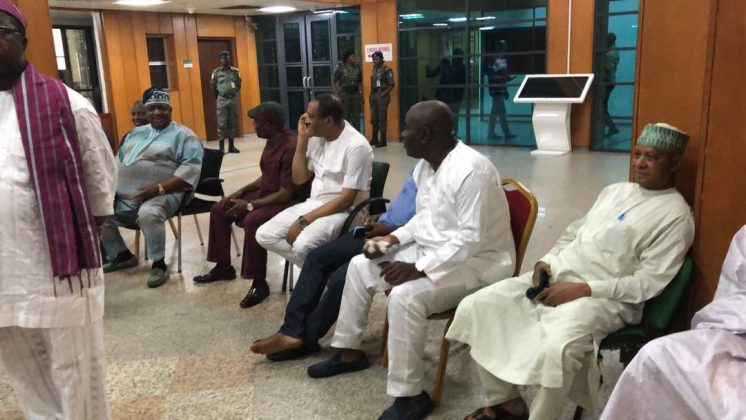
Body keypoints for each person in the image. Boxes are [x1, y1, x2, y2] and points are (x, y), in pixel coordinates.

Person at [447, 122, 696, 420]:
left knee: (558, 350)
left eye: (652, 157)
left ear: (674, 163)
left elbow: (648, 283)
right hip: (558, 277)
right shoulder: (615, 191)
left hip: (604, 299)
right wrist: (545, 262)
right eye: (637, 154)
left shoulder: (676, 215)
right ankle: (505, 403)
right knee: (478, 306)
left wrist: (584, 289)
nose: (640, 163)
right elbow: (573, 234)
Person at [307, 101, 516, 420]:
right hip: (438, 251)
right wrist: (393, 240)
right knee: (360, 265)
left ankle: (410, 397)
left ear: (426, 134)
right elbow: (425, 219)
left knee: (405, 296)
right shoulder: (426, 166)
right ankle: (348, 352)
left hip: (480, 263)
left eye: (407, 128)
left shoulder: (471, 170)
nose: (402, 135)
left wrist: (418, 268)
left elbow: (469, 239)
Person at [0, 2, 118, 418]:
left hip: (60, 271)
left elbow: (101, 188)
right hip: (3, 273)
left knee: (77, 373)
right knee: (23, 369)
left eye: (0, 32)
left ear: (23, 41)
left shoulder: (68, 104)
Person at [250, 175, 417, 360]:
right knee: (317, 257)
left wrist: (390, 232)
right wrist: (378, 218)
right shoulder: (419, 169)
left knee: (342, 277)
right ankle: (291, 329)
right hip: (379, 228)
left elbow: (428, 227)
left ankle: (305, 339)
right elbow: (402, 208)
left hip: (401, 241)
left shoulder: (440, 177)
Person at [601, 224, 746, 420]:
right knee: (656, 355)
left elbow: (646, 283)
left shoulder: (673, 216)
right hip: (739, 331)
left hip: (599, 295)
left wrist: (588, 289)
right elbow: (731, 297)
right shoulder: (608, 202)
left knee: (560, 346)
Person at [193, 102, 298, 309]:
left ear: (269, 125)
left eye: (256, 123)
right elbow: (266, 176)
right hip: (267, 194)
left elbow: (287, 192)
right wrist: (241, 192)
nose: (253, 126)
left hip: (285, 201)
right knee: (220, 209)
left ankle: (259, 283)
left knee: (253, 220)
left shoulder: (291, 147)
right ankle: (223, 266)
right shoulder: (272, 140)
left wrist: (250, 205)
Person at [256, 94, 372, 276]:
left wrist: (304, 221)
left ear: (328, 121)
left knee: (303, 245)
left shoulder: (356, 146)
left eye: (311, 116)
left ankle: (318, 274)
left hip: (346, 211)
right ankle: (324, 274)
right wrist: (302, 140)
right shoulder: (316, 138)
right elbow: (299, 179)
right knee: (264, 234)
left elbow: (346, 199)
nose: (306, 120)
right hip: (314, 204)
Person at [101, 87, 204, 288]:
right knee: (98, 208)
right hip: (124, 196)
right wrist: (111, 189)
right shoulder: (134, 134)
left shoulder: (184, 136)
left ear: (170, 110)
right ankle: (122, 255)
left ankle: (158, 263)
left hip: (165, 193)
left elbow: (190, 171)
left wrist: (158, 189)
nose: (157, 112)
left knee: (149, 213)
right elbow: (117, 162)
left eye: (162, 108)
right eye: (152, 109)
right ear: (146, 112)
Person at [426, 49, 466, 133]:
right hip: (449, 98)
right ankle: (450, 135)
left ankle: (451, 135)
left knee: (450, 118)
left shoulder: (456, 68)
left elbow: (451, 81)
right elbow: (432, 74)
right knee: (450, 118)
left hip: (451, 98)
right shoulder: (453, 67)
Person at [211, 49, 242, 153]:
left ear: (229, 58)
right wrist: (219, 97)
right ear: (220, 59)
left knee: (232, 122)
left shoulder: (235, 72)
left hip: (232, 99)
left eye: (227, 57)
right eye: (223, 58)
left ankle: (231, 146)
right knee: (222, 123)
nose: (225, 60)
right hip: (221, 99)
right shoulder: (216, 72)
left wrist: (232, 92)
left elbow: (238, 85)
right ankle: (221, 148)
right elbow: (213, 86)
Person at [485, 40, 516, 141]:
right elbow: (492, 75)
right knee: (498, 112)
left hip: (500, 90)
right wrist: (504, 79)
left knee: (499, 112)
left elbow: (502, 76)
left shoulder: (501, 59)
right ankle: (499, 133)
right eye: (504, 48)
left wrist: (505, 88)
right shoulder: (493, 59)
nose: (505, 50)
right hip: (496, 90)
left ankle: (502, 133)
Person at [333, 49, 363, 131]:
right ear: (347, 58)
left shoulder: (357, 68)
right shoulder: (341, 68)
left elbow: (360, 82)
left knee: (356, 117)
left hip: (355, 94)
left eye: (355, 56)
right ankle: (347, 136)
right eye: (352, 56)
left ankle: (356, 136)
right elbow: (334, 81)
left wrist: (361, 94)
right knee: (346, 118)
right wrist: (336, 95)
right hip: (345, 95)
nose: (355, 58)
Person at [369, 51, 394, 148]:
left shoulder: (387, 70)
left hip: (382, 95)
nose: (374, 61)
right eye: (373, 59)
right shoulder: (374, 69)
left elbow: (391, 85)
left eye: (376, 59)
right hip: (373, 95)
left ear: (381, 59)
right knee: (373, 118)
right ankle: (374, 138)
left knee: (382, 118)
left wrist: (384, 93)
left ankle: (383, 140)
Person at [604, 33, 620, 137]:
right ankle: (611, 126)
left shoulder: (611, 53)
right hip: (609, 81)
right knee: (602, 106)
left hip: (607, 82)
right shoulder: (613, 51)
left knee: (601, 107)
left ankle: (612, 127)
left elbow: (606, 67)